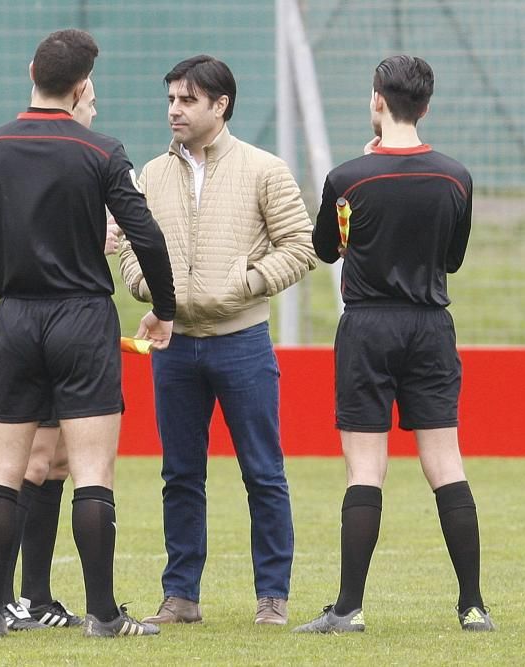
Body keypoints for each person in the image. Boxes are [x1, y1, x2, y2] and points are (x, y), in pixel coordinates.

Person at [0, 28, 175, 639]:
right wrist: (164, 308)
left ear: (32, 70)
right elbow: (148, 235)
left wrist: (12, 286)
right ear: (82, 87)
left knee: (3, 471)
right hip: (82, 316)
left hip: (16, 316)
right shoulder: (102, 152)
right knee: (91, 470)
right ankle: (104, 615)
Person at [293, 55, 495, 634]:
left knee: (365, 467)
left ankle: (348, 608)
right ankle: (472, 606)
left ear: (377, 100)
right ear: (426, 106)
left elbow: (327, 251)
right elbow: (452, 258)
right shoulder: (456, 177)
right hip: (431, 326)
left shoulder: (348, 178)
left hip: (368, 326)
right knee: (446, 462)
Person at [119, 55, 317, 627]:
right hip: (174, 349)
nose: (174, 110)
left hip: (243, 342)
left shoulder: (265, 170)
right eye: (171, 100)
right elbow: (133, 244)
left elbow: (299, 247)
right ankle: (180, 595)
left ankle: (272, 596)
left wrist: (247, 284)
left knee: (263, 471)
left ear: (219, 105)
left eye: (186, 100)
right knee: (180, 473)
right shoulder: (151, 174)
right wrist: (141, 282)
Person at [2, 74, 124, 633]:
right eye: (92, 101)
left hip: (39, 323)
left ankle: (35, 597)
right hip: (62, 324)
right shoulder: (75, 156)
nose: (94, 112)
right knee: (36, 462)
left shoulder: (59, 159)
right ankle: (14, 599)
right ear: (76, 95)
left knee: (52, 460)